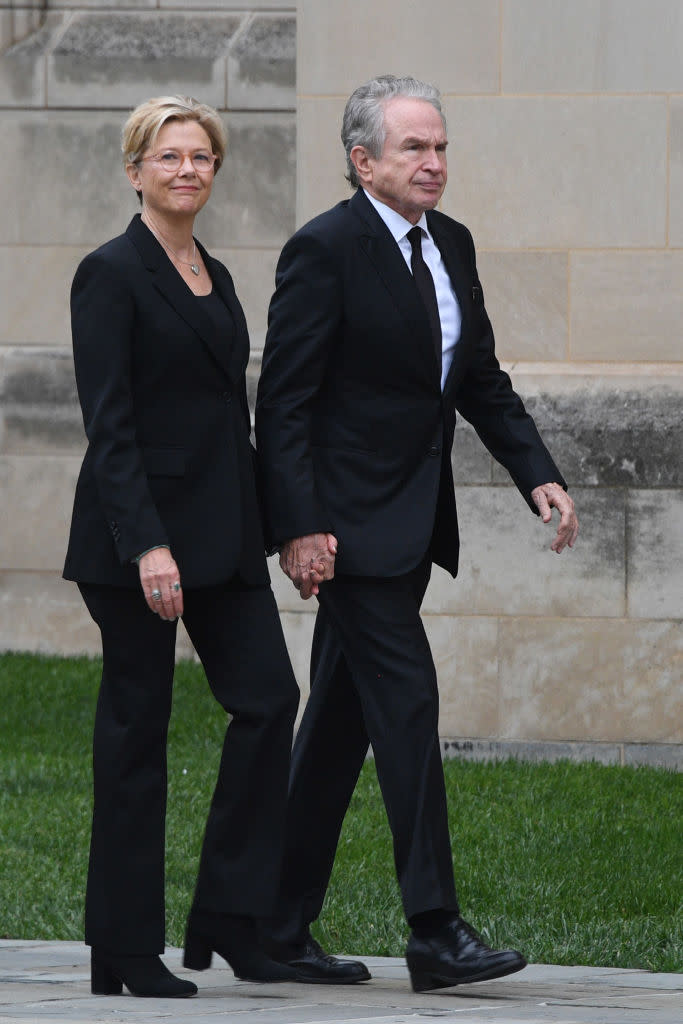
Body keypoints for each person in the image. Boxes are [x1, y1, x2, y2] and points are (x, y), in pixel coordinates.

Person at [255, 75, 579, 993]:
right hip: (346, 534)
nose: (433, 163)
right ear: (362, 160)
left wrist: (538, 475)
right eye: (413, 149)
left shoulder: (451, 243)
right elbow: (282, 403)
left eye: (439, 148)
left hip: (410, 522)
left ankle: (273, 925)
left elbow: (478, 376)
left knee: (336, 727)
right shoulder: (323, 248)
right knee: (406, 706)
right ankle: (434, 930)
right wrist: (299, 525)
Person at [63, 95, 300, 998]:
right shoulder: (110, 273)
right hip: (139, 545)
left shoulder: (216, 273)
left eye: (201, 157)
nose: (187, 170)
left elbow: (226, 420)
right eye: (169, 157)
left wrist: (277, 530)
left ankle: (231, 919)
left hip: (226, 535)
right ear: (135, 171)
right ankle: (121, 949)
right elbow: (110, 426)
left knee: (269, 701)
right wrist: (147, 546)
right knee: (136, 735)